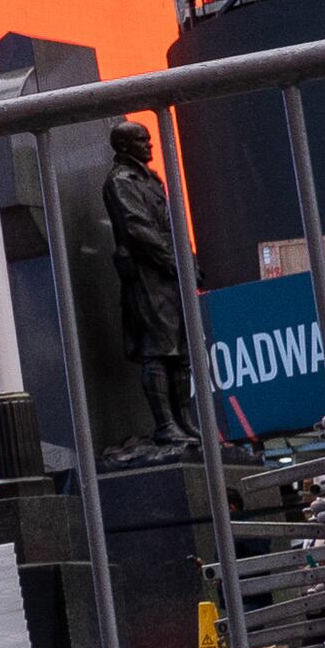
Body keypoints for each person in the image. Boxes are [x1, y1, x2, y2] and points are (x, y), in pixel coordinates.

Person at [106, 121, 204, 456]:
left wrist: (188, 261)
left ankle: (184, 420)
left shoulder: (152, 179)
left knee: (181, 350)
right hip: (147, 275)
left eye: (148, 139)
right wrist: (172, 261)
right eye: (140, 140)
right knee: (158, 351)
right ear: (122, 147)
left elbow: (171, 224)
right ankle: (166, 425)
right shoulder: (121, 181)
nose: (149, 145)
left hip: (168, 272)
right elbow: (137, 229)